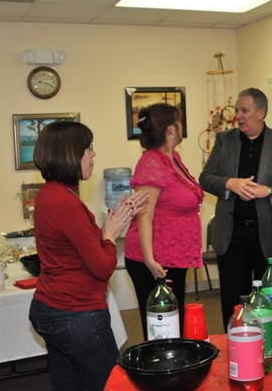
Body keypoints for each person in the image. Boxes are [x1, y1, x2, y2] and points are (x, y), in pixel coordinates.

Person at [29, 122, 148, 391]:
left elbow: (78, 248)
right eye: (87, 148)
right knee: (113, 385)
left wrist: (109, 228)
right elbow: (102, 268)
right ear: (69, 154)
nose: (92, 154)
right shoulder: (66, 203)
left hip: (50, 309)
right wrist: (109, 236)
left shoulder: (49, 194)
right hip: (76, 315)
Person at [199, 87, 272, 329]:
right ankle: (234, 344)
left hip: (270, 235)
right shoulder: (225, 141)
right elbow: (205, 178)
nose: (238, 116)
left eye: (244, 111)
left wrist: (268, 190)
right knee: (233, 302)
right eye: (237, 110)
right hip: (231, 235)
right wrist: (229, 183)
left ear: (261, 112)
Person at [124, 103, 204, 340]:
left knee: (174, 324)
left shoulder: (172, 158)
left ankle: (174, 362)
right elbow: (144, 216)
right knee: (161, 328)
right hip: (155, 260)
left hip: (174, 256)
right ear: (171, 129)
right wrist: (150, 260)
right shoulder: (152, 162)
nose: (181, 126)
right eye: (179, 122)